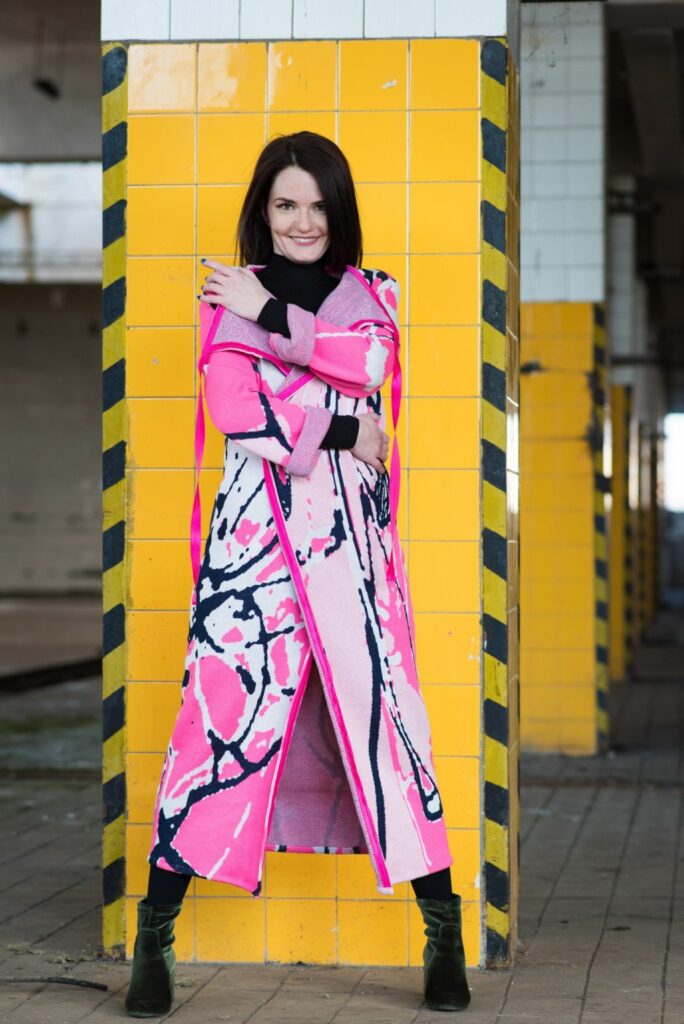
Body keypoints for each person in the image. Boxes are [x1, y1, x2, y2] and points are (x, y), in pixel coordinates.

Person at [125, 131, 470, 1017]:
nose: (303, 221)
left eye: (318, 205)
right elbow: (237, 412)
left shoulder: (372, 295)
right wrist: (349, 428)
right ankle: (153, 942)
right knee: (217, 730)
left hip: (352, 551)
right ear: (264, 211)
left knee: (390, 728)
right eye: (286, 204)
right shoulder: (225, 294)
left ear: (338, 211)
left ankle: (444, 938)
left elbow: (370, 363)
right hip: (254, 555)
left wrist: (273, 320)